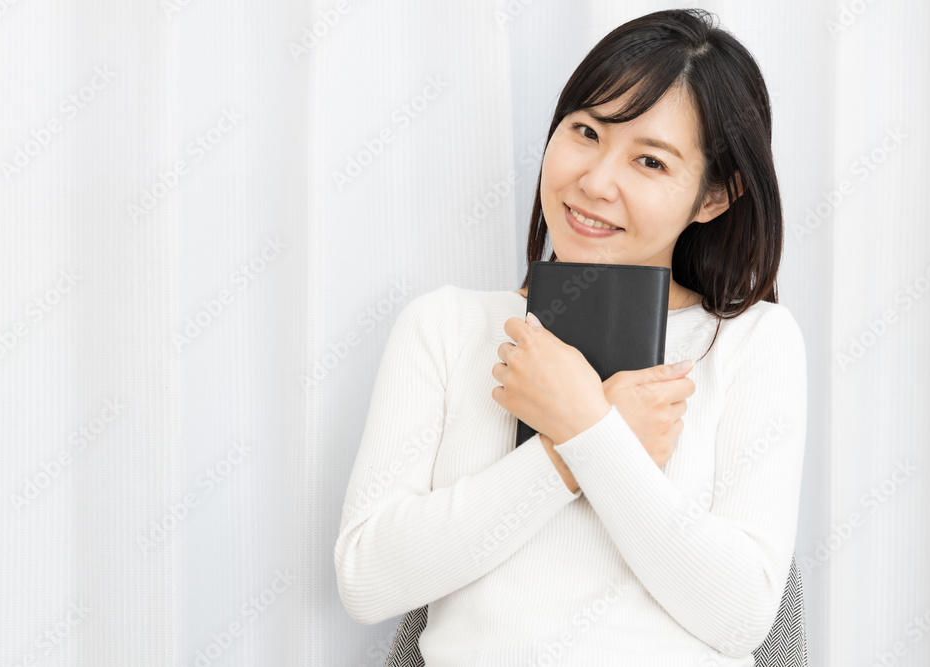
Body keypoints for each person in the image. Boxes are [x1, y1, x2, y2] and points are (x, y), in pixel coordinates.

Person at [334, 8, 807, 666]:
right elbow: (366, 578)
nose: (595, 181)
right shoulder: (444, 326)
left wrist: (587, 425)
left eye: (650, 160)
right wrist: (569, 450)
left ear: (713, 198)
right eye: (586, 131)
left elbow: (741, 615)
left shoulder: (751, 342)